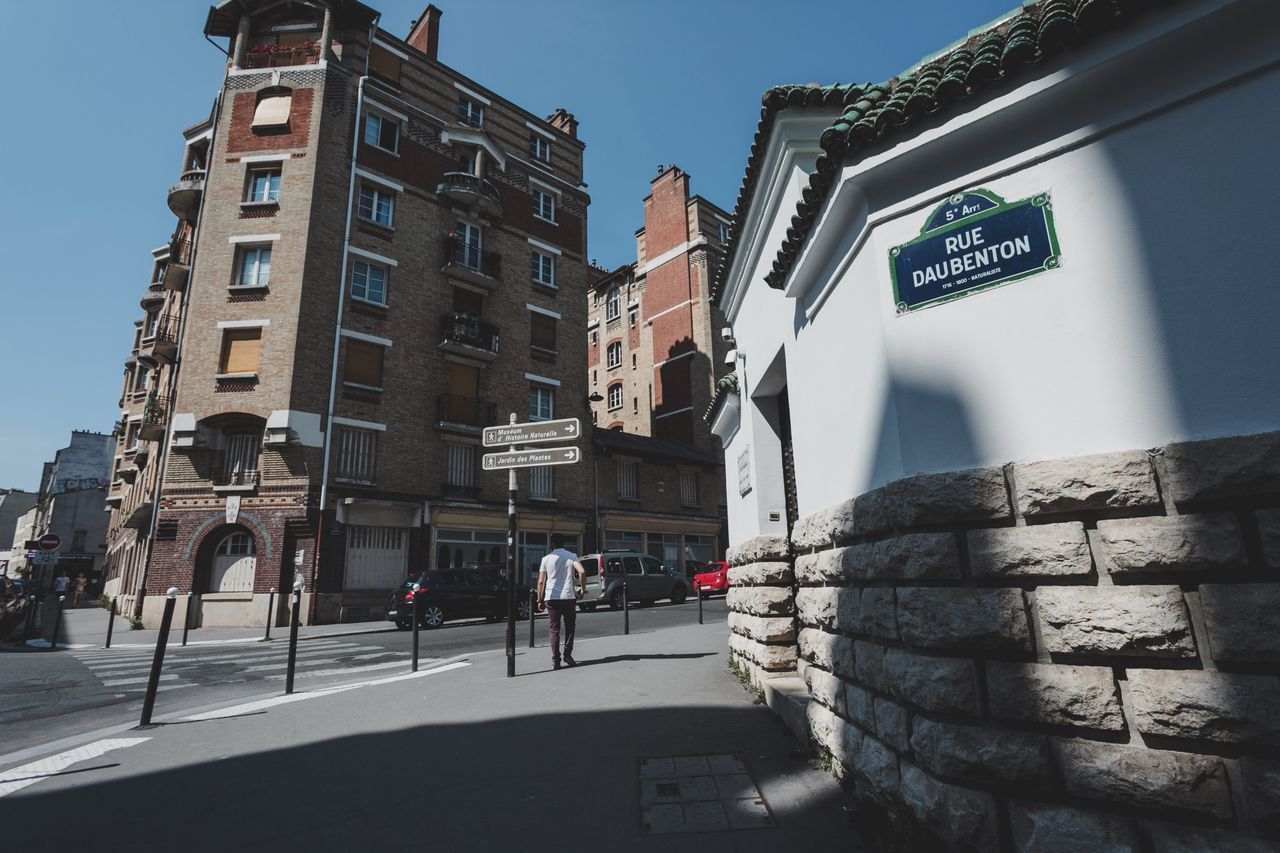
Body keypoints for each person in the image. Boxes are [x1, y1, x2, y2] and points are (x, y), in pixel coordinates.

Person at [536, 534, 585, 670]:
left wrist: (539, 599)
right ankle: (567, 655)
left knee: (554, 629)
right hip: (568, 597)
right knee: (570, 627)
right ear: (563, 543)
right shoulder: (571, 556)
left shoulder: (546, 559)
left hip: (551, 598)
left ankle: (556, 660)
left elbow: (541, 581)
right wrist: (582, 589)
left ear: (552, 544)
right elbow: (582, 572)